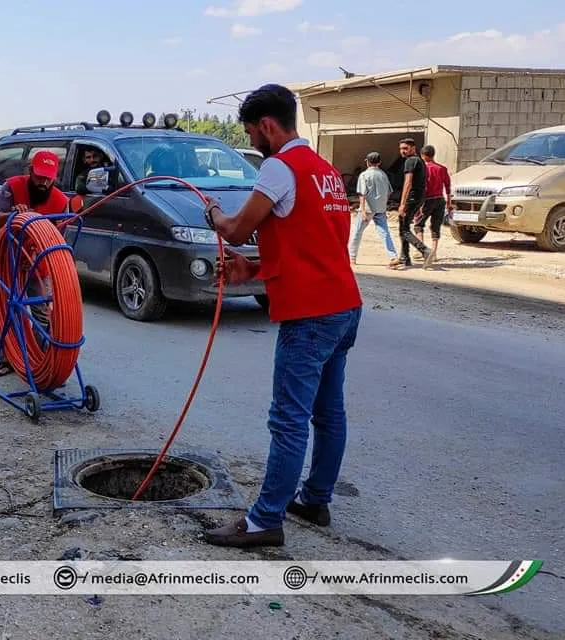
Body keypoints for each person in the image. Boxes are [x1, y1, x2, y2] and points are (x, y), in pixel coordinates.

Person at [201, 83, 363, 548]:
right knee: (328, 412)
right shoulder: (324, 171)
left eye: (252, 132)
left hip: (311, 315)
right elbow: (310, 244)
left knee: (288, 419)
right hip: (343, 307)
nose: (252, 141)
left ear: (268, 127)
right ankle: (314, 498)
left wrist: (213, 213)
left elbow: (235, 228)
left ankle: (264, 520)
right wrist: (250, 270)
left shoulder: (279, 166)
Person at [0, 150, 69, 377]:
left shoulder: (61, 202)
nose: (43, 182)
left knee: (43, 314)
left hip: (38, 261)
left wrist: (36, 255)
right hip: (8, 258)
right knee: (5, 308)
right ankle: (7, 359)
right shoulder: (12, 187)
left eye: (48, 178)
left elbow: (59, 240)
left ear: (55, 176)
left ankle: (33, 360)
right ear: (30, 171)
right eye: (39, 176)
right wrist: (12, 214)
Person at [349, 152, 400, 268]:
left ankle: (352, 257)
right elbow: (389, 192)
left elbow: (362, 194)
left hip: (367, 208)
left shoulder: (364, 175)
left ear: (367, 162)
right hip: (380, 208)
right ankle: (393, 256)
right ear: (379, 162)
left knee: (357, 232)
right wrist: (383, 204)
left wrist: (362, 210)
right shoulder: (383, 175)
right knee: (384, 232)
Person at [396, 138, 432, 268]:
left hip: (411, 198)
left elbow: (408, 182)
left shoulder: (410, 161)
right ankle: (404, 257)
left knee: (404, 230)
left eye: (405, 148)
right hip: (418, 198)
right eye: (401, 149)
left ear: (413, 148)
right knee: (402, 228)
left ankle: (424, 250)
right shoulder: (420, 161)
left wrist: (402, 204)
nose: (402, 151)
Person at [414, 145, 451, 266]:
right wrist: (449, 202)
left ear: (423, 155)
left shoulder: (423, 169)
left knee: (419, 224)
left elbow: (421, 186)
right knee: (436, 227)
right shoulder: (442, 168)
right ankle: (434, 253)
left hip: (426, 200)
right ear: (433, 154)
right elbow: (448, 186)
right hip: (440, 200)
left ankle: (422, 250)